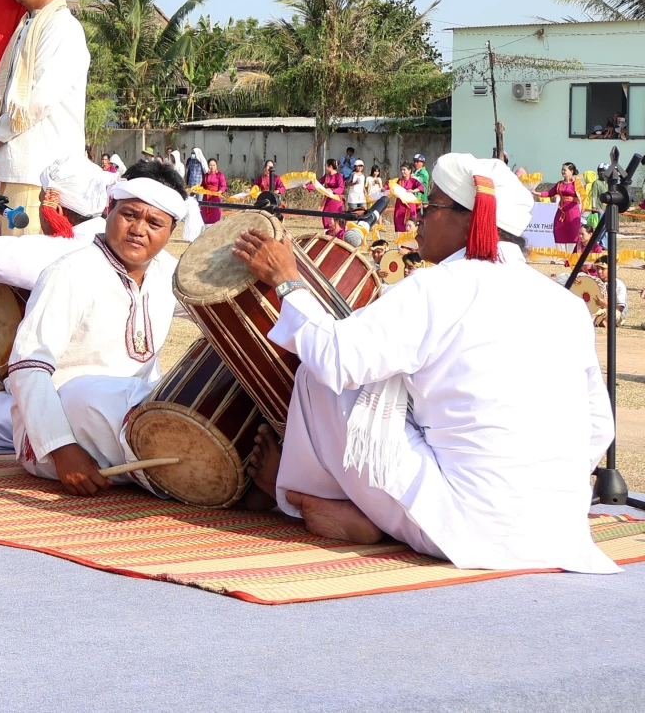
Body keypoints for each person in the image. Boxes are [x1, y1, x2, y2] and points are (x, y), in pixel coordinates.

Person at [232, 154, 616, 574]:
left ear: (471, 220)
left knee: (319, 376)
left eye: (431, 205)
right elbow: (600, 426)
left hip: (468, 529)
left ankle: (310, 496)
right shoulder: (565, 304)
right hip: (559, 532)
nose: (419, 215)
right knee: (394, 386)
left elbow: (337, 358)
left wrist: (286, 279)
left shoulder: (437, 287)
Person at [1, 164, 191, 492]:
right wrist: (62, 450)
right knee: (90, 395)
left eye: (154, 223)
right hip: (59, 434)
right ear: (108, 210)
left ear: (170, 231)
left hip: (133, 416)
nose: (139, 229)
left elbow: (218, 305)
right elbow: (27, 366)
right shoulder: (71, 272)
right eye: (129, 215)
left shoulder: (168, 274)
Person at [0, 156, 117, 449]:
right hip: (121, 396)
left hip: (69, 400)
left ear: (54, 208)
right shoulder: (127, 250)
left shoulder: (58, 252)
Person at [0, 0, 88, 236]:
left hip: (36, 176)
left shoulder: (62, 27)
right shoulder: (27, 25)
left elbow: (38, 101)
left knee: (23, 262)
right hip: (14, 172)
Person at [547, 163, 584, 247]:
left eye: (565, 170)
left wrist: (580, 197)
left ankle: (573, 253)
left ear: (571, 171)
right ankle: (560, 253)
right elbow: (549, 193)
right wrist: (537, 193)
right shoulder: (559, 184)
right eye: (562, 170)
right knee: (558, 231)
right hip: (561, 212)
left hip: (573, 212)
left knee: (573, 233)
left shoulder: (577, 184)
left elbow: (583, 197)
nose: (563, 171)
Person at [318, 159, 347, 238]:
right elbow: (318, 184)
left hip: (336, 200)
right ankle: (328, 235)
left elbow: (341, 188)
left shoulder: (338, 176)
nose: (325, 167)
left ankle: (339, 236)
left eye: (326, 166)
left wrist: (332, 191)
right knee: (326, 217)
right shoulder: (326, 176)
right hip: (327, 200)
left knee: (337, 219)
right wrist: (307, 186)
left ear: (330, 166)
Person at [198, 156, 226, 226]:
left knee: (215, 214)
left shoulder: (220, 175)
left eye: (214, 165)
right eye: (210, 165)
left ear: (216, 166)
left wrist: (220, 192)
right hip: (206, 197)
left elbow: (224, 186)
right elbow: (202, 186)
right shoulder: (206, 175)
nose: (212, 167)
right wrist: (197, 190)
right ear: (208, 166)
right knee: (204, 215)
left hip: (215, 197)